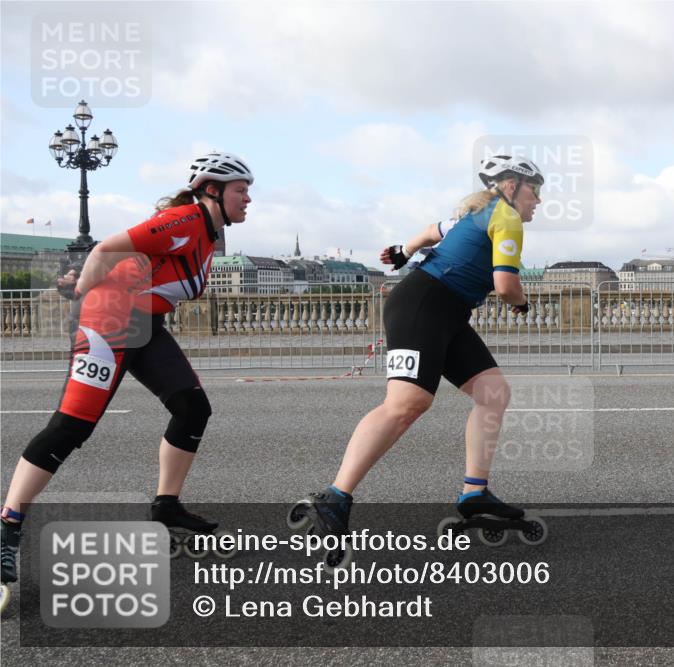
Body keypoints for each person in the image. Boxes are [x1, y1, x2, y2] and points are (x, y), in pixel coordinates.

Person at [0, 152, 254, 608]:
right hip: (109, 320)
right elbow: (105, 250)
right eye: (241, 190)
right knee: (72, 426)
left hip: (145, 324)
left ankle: (166, 506)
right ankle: (7, 528)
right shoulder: (183, 220)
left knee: (192, 407)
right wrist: (82, 293)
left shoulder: (208, 235)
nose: (248, 199)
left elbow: (137, 265)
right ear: (212, 191)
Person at [294, 155, 545, 564]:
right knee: (407, 403)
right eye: (536, 189)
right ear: (513, 186)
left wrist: (403, 250)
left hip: (446, 311)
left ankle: (474, 493)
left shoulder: (476, 212)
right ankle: (335, 497)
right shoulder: (506, 216)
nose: (539, 199)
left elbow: (432, 231)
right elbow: (505, 285)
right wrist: (522, 303)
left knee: (493, 393)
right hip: (424, 304)